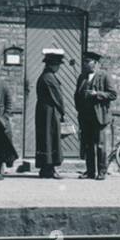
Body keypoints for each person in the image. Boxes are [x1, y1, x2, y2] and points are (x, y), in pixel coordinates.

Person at [74, 50, 118, 180]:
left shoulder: (104, 76)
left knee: (100, 145)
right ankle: (90, 171)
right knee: (87, 145)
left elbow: (113, 94)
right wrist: (79, 108)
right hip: (85, 117)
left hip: (100, 117)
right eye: (84, 62)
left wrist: (97, 94)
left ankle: (102, 171)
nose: (85, 64)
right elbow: (77, 95)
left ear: (96, 63)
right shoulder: (82, 77)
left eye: (88, 62)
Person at [35, 48, 67, 179]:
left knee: (45, 139)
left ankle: (45, 168)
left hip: (43, 111)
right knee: (51, 139)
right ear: (52, 65)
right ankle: (50, 169)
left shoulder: (45, 76)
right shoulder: (49, 78)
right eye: (57, 65)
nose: (58, 67)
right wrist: (63, 112)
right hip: (50, 112)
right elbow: (58, 97)